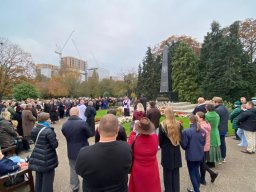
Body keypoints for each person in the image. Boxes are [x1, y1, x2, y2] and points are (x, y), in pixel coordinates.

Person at [76, 114, 132, 192]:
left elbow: (79, 171)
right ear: (117, 130)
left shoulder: (84, 153)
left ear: (98, 130)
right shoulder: (126, 148)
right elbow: (129, 168)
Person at [62, 107, 92, 192]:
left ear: (70, 114)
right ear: (78, 113)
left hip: (71, 150)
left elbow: (65, 134)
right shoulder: (82, 123)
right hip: (83, 149)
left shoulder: (65, 125)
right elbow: (89, 133)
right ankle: (88, 185)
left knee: (73, 169)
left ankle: (74, 187)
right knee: (86, 168)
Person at [128, 117, 161, 192]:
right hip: (152, 167)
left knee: (139, 187)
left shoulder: (135, 139)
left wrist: (133, 132)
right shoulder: (155, 137)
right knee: (152, 187)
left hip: (138, 168)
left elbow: (129, 147)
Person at [28, 112, 58, 192]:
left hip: (38, 155)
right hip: (47, 157)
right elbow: (54, 145)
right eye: (49, 118)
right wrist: (56, 140)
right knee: (48, 179)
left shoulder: (34, 128)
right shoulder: (48, 130)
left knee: (39, 178)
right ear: (46, 119)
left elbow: (36, 141)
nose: (50, 119)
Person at [159, 106, 182, 192]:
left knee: (167, 173)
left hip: (166, 151)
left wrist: (163, 147)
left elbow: (160, 140)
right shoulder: (179, 124)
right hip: (176, 150)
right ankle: (176, 189)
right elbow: (181, 137)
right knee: (176, 173)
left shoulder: (162, 125)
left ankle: (168, 190)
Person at [181, 115, 206, 192]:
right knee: (196, 171)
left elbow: (184, 146)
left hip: (191, 156)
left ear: (190, 121)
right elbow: (203, 143)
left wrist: (180, 141)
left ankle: (196, 189)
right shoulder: (203, 131)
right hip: (200, 154)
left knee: (192, 173)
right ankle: (196, 188)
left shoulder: (187, 131)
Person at [196, 112, 218, 185]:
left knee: (201, 163)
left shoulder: (202, 126)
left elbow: (201, 137)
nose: (195, 117)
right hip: (206, 146)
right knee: (202, 163)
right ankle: (204, 178)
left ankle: (209, 175)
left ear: (201, 118)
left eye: (197, 116)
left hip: (203, 147)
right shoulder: (206, 123)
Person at [212, 97, 229, 163]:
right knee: (222, 143)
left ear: (216, 102)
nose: (212, 103)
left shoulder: (217, 110)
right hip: (224, 128)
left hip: (219, 129)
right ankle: (223, 157)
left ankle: (220, 157)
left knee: (218, 144)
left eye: (213, 102)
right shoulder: (225, 108)